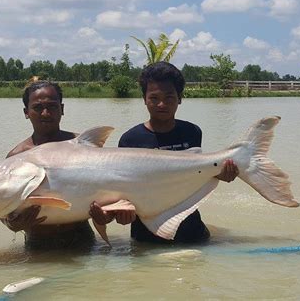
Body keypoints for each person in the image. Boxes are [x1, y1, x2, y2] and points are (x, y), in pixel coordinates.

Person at [101, 61, 239, 244]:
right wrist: (122, 212)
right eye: (154, 98)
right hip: (146, 239)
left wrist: (221, 174)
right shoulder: (130, 140)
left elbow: (194, 178)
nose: (161, 104)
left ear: (180, 98)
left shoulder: (192, 132)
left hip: (192, 233)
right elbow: (124, 190)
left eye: (169, 97)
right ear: (144, 99)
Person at [1, 81, 95, 249]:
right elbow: (2, 206)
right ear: (26, 112)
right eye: (37, 108)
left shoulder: (83, 147)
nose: (45, 113)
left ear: (62, 109)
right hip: (39, 246)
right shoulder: (17, 157)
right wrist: (12, 224)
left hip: (83, 242)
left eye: (52, 106)